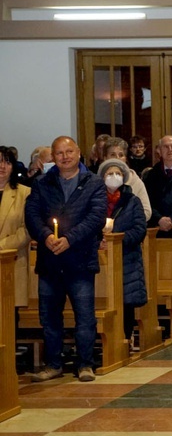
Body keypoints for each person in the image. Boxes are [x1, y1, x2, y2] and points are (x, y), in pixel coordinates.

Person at [25, 136, 107, 383]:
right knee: (49, 317)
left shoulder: (93, 183)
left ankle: (85, 364)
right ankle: (53, 364)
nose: (65, 157)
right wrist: (45, 236)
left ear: (79, 153)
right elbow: (31, 214)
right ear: (53, 157)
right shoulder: (42, 183)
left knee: (84, 317)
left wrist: (70, 239)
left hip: (80, 260)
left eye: (69, 151)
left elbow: (96, 217)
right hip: (49, 261)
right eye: (59, 153)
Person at [97, 159, 147, 343]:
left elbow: (139, 229)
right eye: (109, 173)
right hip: (100, 257)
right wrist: (98, 240)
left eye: (117, 173)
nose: (113, 177)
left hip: (127, 258)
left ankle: (125, 338)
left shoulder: (132, 201)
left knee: (125, 301)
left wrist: (117, 240)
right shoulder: (95, 200)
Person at [0, 146, 31, 308]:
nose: (2, 166)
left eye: (7, 162)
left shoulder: (24, 193)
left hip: (11, 261)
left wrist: (2, 246)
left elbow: (26, 230)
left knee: (9, 316)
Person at [142, 135, 172, 238]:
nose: (170, 150)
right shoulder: (151, 175)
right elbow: (146, 201)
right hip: (157, 229)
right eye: (165, 147)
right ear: (159, 150)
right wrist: (158, 219)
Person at [103, 137, 152, 221]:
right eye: (112, 155)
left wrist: (121, 221)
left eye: (121, 155)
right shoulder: (95, 182)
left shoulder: (135, 181)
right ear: (105, 158)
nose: (117, 158)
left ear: (125, 158)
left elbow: (147, 212)